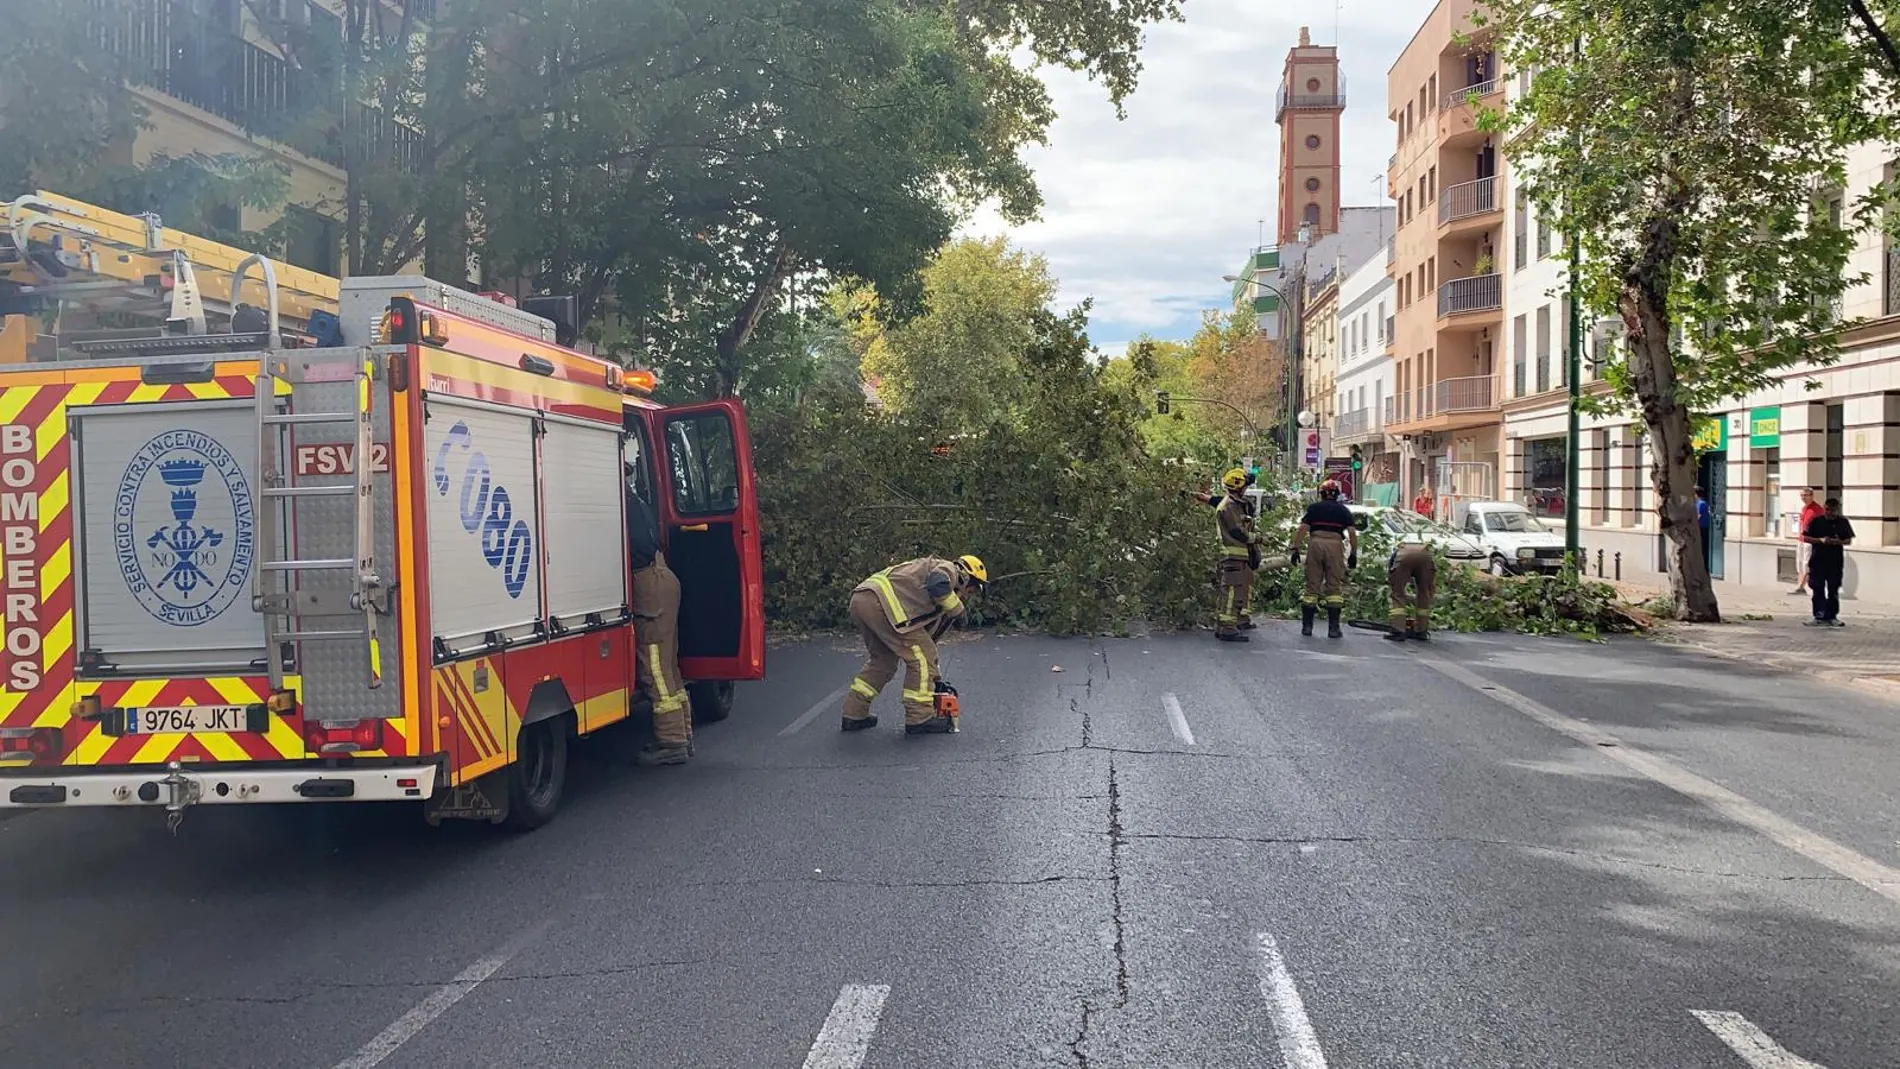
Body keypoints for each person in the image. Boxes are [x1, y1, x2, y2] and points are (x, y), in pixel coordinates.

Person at [843, 555, 988, 733]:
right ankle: (920, 718)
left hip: (862, 600)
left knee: (883, 661)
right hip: (883, 604)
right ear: (967, 577)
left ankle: (854, 713)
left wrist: (934, 680)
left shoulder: (930, 590)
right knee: (922, 658)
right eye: (971, 589)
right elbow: (937, 583)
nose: (968, 595)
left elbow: (927, 639)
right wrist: (958, 611)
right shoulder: (950, 569)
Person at [626, 464, 692, 766]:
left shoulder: (621, 503)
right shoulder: (637, 500)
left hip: (649, 585)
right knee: (668, 664)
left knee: (654, 666)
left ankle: (672, 741)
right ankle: (683, 734)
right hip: (663, 576)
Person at [1289, 479, 1358, 638]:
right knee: (1334, 587)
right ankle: (1333, 629)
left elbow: (1302, 529)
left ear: (1321, 494)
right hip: (1335, 545)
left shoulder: (1314, 509)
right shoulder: (1343, 510)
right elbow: (1352, 533)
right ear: (1337, 495)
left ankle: (1307, 627)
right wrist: (1353, 553)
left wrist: (1295, 549)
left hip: (1315, 544)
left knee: (1312, 586)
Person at [1213, 468, 1264, 642]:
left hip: (1240, 557)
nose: (1246, 489)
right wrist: (1259, 539)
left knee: (1239, 590)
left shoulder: (1236, 505)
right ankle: (1227, 628)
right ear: (1238, 486)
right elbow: (1238, 532)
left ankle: (1234, 622)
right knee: (1232, 592)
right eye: (1245, 486)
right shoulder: (1228, 507)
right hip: (1232, 556)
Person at [1803, 498, 1854, 627]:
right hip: (1818, 560)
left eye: (1832, 510)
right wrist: (1820, 540)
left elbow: (1848, 540)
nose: (1829, 512)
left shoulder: (1843, 522)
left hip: (1834, 561)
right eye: (1827, 509)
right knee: (1817, 588)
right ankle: (1819, 615)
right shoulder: (1816, 521)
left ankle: (1832, 616)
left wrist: (1837, 542)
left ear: (1837, 509)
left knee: (1833, 589)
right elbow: (1805, 537)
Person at [1384, 540, 1436, 641]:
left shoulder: (1397, 552)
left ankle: (1398, 630)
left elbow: (1392, 577)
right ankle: (1421, 630)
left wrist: (1394, 583)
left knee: (1397, 593)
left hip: (1403, 557)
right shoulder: (1424, 551)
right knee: (1424, 593)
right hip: (1426, 557)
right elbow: (1431, 585)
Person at [1792, 487, 1823, 595]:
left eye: (1805, 495)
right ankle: (1800, 586)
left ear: (1811, 496)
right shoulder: (1804, 508)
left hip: (1810, 541)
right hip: (1801, 539)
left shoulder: (1818, 510)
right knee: (1799, 563)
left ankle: (1801, 587)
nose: (1803, 498)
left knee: (1806, 563)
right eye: (1802, 495)